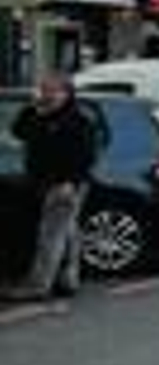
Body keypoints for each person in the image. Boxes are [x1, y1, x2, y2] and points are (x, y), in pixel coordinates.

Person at [6, 74, 98, 301]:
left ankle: (38, 286)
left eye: (53, 91)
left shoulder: (77, 119)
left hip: (64, 184)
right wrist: (32, 106)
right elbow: (18, 131)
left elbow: (86, 156)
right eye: (44, 90)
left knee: (50, 236)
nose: (48, 95)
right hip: (44, 182)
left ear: (66, 93)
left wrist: (70, 182)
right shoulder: (42, 115)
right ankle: (68, 280)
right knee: (67, 233)